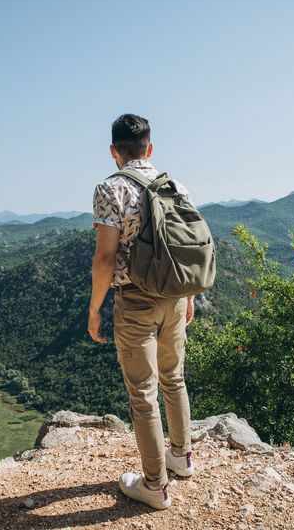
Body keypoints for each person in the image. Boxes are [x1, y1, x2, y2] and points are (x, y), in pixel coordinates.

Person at [88, 113, 195, 510]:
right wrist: (189, 297)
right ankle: (182, 458)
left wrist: (95, 308)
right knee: (174, 378)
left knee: (143, 396)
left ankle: (154, 485)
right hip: (175, 295)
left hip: (134, 300)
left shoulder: (109, 188)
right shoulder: (175, 186)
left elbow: (104, 257)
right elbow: (186, 247)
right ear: (149, 149)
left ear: (114, 152)